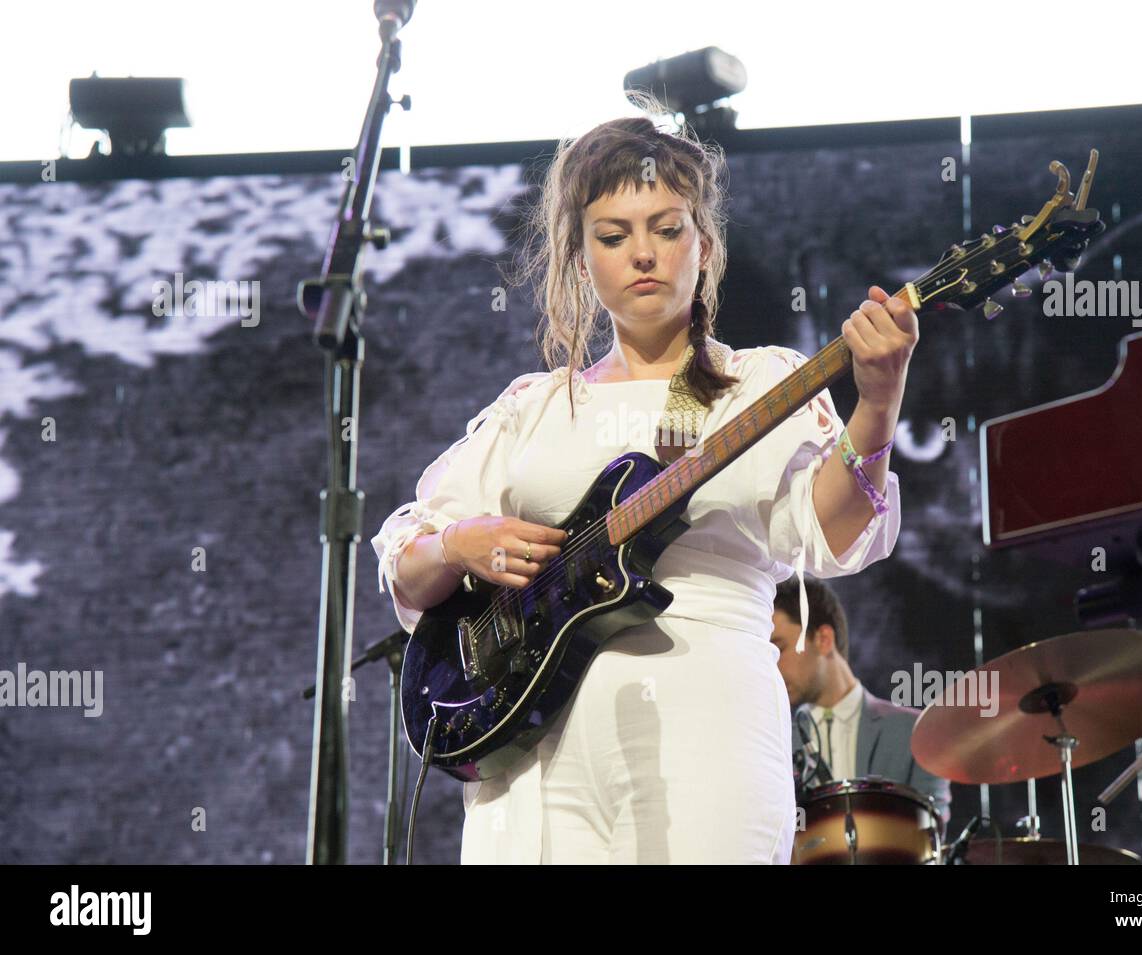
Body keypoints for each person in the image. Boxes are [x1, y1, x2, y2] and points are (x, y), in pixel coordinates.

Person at [370, 93, 918, 864]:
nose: (645, 254)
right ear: (580, 253)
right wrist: (461, 544)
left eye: (668, 229)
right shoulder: (536, 405)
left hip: (707, 725)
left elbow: (833, 531)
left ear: (704, 244)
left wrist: (881, 398)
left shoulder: (759, 383)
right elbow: (409, 555)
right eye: (614, 235)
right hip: (529, 752)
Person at [771, 576, 951, 831]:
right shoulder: (776, 743)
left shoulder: (918, 731)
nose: (773, 666)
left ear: (823, 639)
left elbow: (932, 833)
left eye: (779, 649)